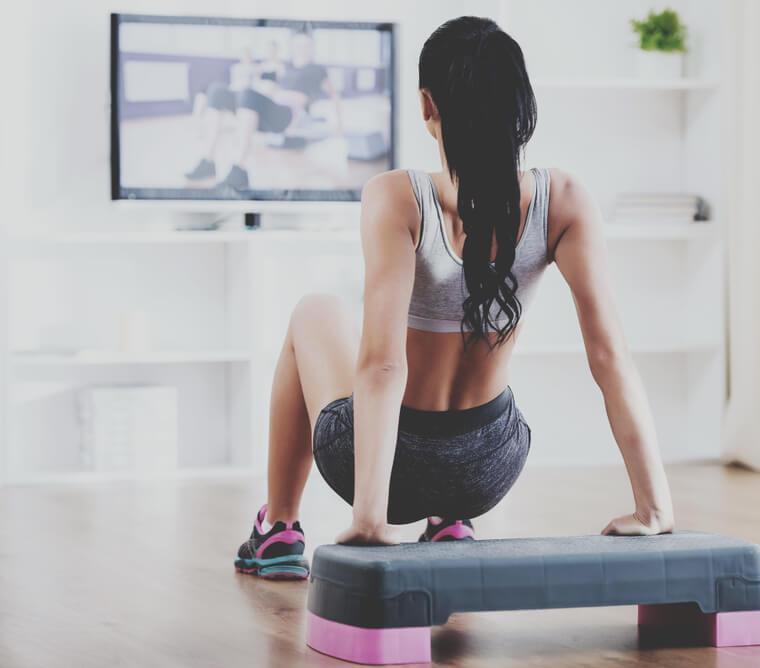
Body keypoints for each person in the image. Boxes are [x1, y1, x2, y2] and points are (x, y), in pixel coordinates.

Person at [234, 16, 674, 580]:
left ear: (426, 105)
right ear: (522, 104)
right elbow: (610, 357)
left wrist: (370, 517)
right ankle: (449, 520)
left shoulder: (396, 195)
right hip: (488, 470)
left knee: (315, 311)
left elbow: (383, 364)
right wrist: (654, 506)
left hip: (381, 473)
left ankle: (280, 528)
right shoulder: (564, 199)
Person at [185, 29, 342, 192]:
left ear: (312, 47)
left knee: (248, 94)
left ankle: (239, 170)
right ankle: (208, 161)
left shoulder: (317, 70)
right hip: (270, 108)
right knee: (216, 91)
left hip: (289, 115)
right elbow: (274, 88)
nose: (301, 48)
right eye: (298, 45)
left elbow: (334, 96)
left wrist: (339, 124)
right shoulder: (285, 67)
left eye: (305, 45)